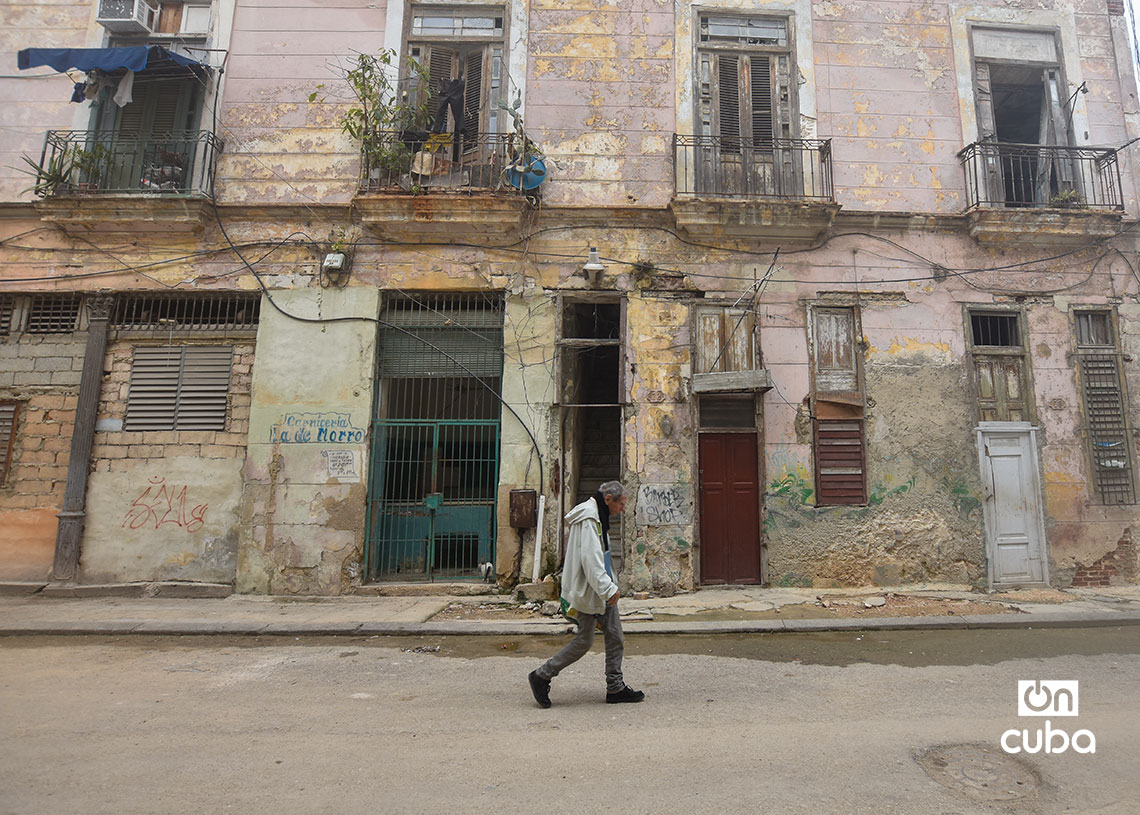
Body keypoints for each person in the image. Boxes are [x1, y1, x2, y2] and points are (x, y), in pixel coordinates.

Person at [528, 481, 644, 707]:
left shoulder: (598, 515)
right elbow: (591, 560)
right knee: (585, 640)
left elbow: (600, 554)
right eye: (621, 504)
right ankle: (541, 675)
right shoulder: (590, 518)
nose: (622, 509)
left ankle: (615, 687)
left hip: (597, 588)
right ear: (608, 498)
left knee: (614, 636)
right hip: (592, 590)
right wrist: (608, 588)